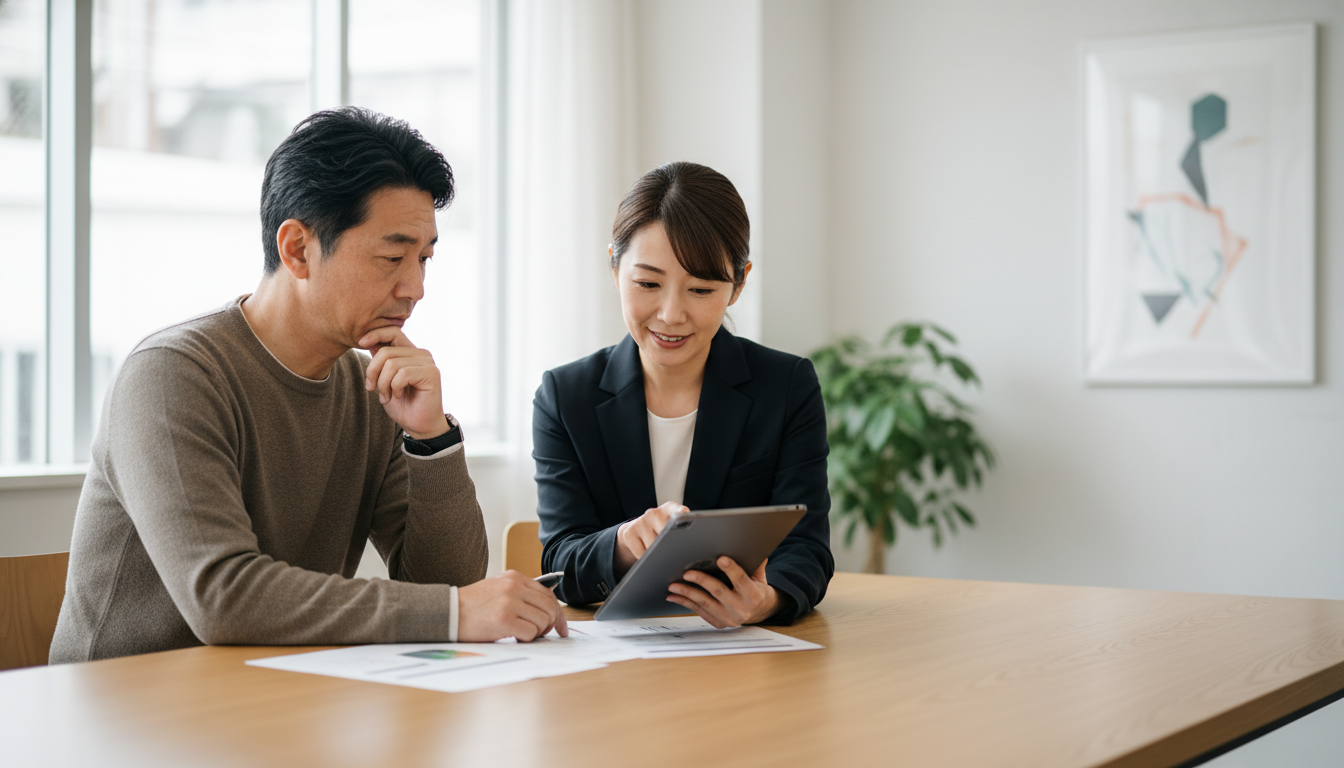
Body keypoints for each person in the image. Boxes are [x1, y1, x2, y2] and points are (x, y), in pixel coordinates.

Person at [50, 107, 565, 664]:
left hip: (268, 699)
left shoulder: (373, 389)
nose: (416, 287)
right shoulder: (172, 375)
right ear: (297, 249)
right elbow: (223, 596)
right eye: (393, 257)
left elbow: (448, 584)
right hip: (121, 714)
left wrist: (431, 439)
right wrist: (454, 612)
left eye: (424, 259)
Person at [533, 161, 833, 627]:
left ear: (738, 284)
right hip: (617, 666)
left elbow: (807, 546)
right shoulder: (565, 397)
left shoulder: (787, 386)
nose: (671, 315)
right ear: (614, 267)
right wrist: (623, 543)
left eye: (700, 288)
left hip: (741, 655)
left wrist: (766, 600)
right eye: (648, 283)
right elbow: (560, 560)